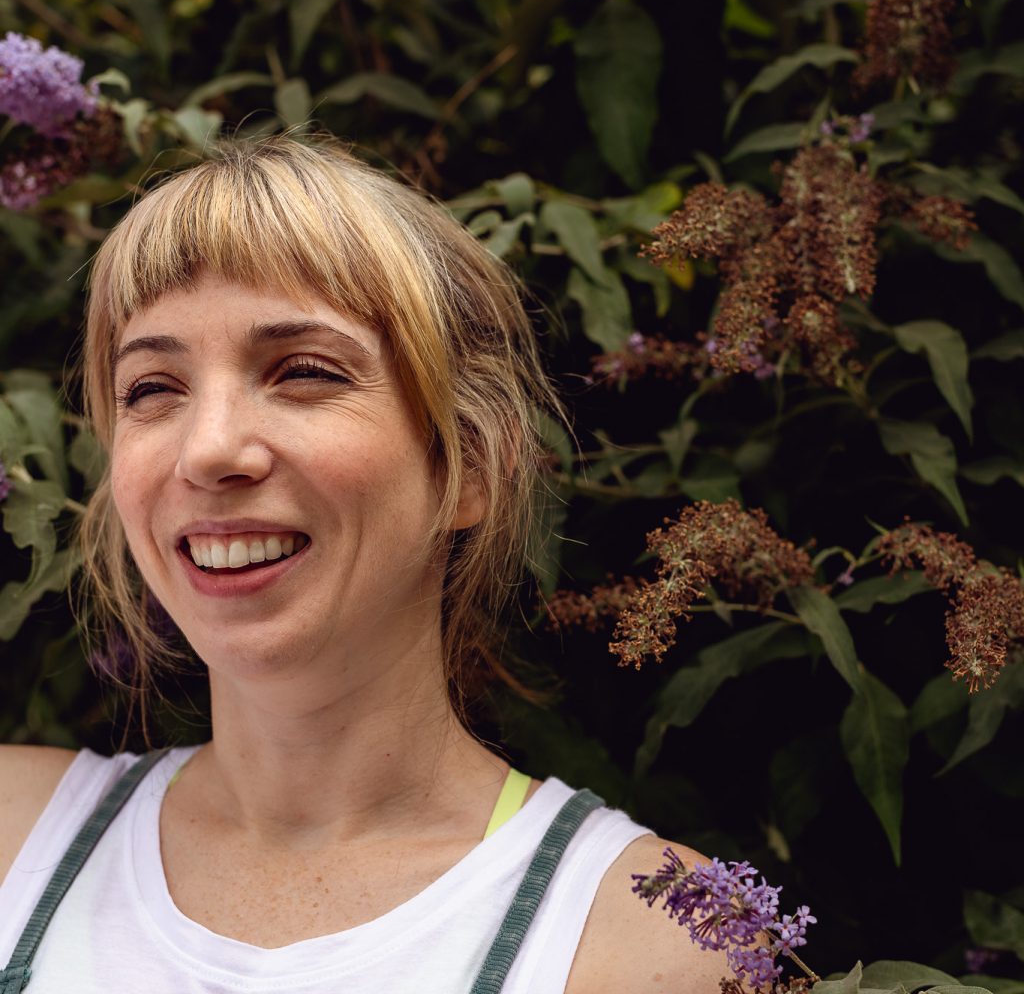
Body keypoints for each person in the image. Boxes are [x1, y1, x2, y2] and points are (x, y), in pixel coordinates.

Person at [0, 135, 728, 992]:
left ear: (470, 468)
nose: (209, 449)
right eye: (152, 388)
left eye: (303, 372)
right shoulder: (14, 840)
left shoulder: (651, 938)